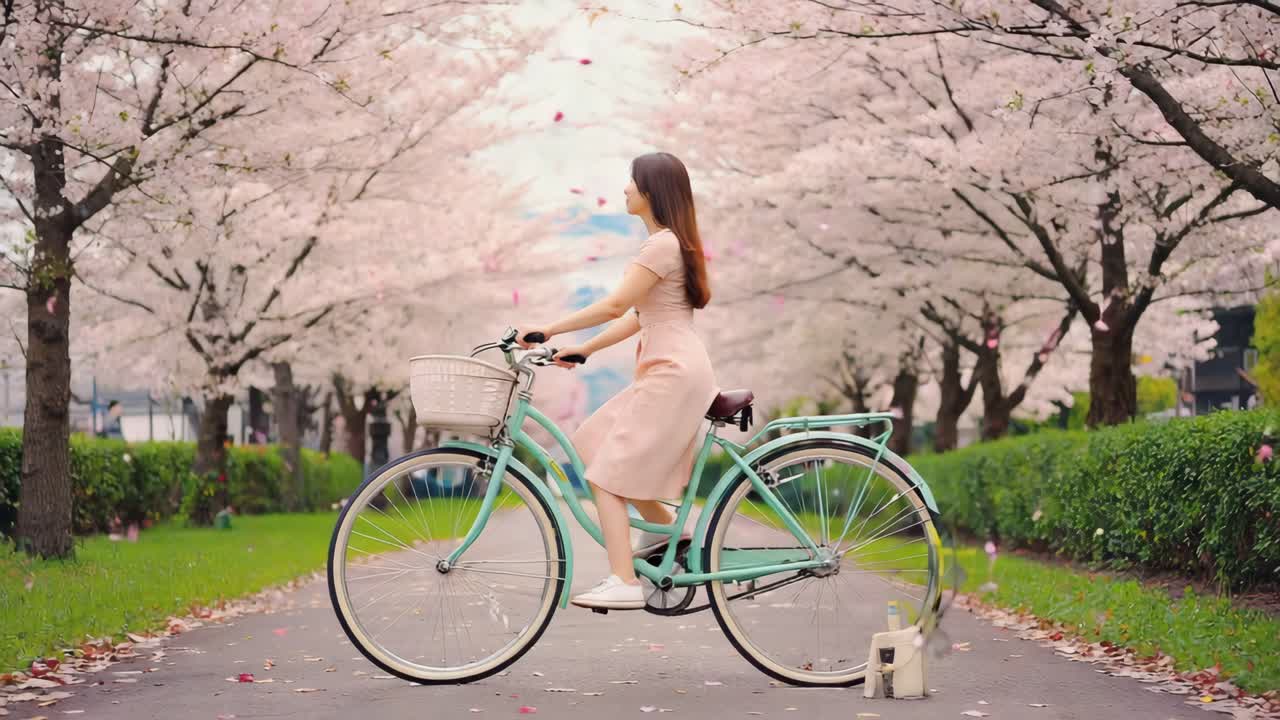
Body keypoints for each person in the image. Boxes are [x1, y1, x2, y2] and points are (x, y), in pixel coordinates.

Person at [517, 152, 719, 610]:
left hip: (672, 372)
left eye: (632, 182)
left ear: (652, 192)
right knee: (592, 442)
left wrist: (550, 329)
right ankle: (678, 536)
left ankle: (623, 579)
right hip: (669, 366)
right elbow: (636, 316)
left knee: (605, 474)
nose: (626, 189)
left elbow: (613, 306)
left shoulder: (661, 246)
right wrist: (585, 350)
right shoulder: (669, 244)